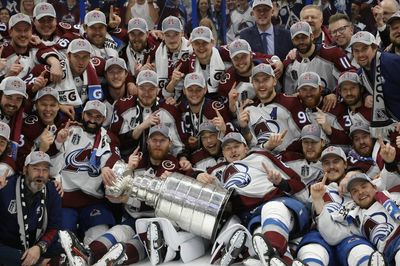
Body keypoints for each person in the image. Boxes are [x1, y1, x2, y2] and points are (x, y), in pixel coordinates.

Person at [295, 146, 386, 266]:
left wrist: (352, 174)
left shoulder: (361, 183)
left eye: (336, 161)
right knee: (312, 250)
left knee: (360, 251)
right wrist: (317, 199)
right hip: (320, 235)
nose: (331, 166)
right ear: (322, 167)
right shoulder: (314, 188)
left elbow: (386, 181)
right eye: (327, 163)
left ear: (345, 164)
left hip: (351, 235)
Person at [50, 100, 121, 246]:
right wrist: (57, 141)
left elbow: (115, 157)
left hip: (93, 200)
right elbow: (51, 159)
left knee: (99, 239)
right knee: (63, 242)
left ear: (104, 119)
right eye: (89, 115)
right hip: (66, 200)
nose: (92, 120)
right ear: (82, 114)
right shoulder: (69, 129)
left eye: (98, 117)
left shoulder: (108, 138)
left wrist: (108, 166)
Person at [318, 172, 398, 265]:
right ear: (352, 198)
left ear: (374, 187)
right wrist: (317, 200)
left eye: (364, 187)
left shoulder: (392, 196)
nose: (360, 192)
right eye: (354, 191)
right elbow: (332, 235)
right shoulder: (354, 219)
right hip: (390, 251)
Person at [0, 151, 62, 266]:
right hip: (8, 246)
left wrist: (40, 247)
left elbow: (54, 227)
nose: (40, 174)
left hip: (36, 246)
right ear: (25, 170)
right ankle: (39, 263)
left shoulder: (52, 191)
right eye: (36, 169)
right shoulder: (6, 187)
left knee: (64, 247)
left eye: (45, 170)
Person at [110, 69, 186, 161]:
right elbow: (116, 141)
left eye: (151, 89)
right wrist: (141, 127)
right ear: (137, 87)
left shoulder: (169, 109)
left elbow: (179, 146)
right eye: (142, 88)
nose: (146, 93)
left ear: (158, 89)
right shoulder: (123, 107)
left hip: (161, 164)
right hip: (128, 162)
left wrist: (183, 159)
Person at [25, 38, 103, 120]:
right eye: (76, 56)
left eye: (85, 57)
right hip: (49, 117)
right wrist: (34, 89)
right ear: (68, 56)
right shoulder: (48, 71)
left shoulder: (94, 69)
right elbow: (23, 94)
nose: (81, 62)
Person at [237, 63, 299, 152]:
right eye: (257, 81)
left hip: (289, 159)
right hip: (260, 161)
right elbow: (250, 146)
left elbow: (303, 136)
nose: (261, 85)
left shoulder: (289, 102)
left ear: (274, 81)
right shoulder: (248, 110)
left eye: (266, 80)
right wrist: (244, 127)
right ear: (252, 83)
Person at [350, 31, 400, 137]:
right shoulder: (360, 74)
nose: (360, 54)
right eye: (356, 51)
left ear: (374, 48)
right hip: (392, 128)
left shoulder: (391, 62)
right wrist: (365, 96)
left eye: (364, 49)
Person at [283, 21, 354, 95]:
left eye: (304, 37)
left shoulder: (332, 53)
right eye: (297, 38)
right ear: (292, 41)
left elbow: (352, 73)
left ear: (312, 37)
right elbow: (289, 94)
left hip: (333, 104)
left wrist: (335, 94)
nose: (301, 41)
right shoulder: (289, 63)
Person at [17, 87, 67, 171]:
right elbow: (20, 166)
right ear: (36, 105)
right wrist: (41, 150)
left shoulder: (65, 123)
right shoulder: (27, 127)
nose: (48, 109)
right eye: (43, 104)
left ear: (59, 106)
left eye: (52, 105)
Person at [156, 16, 192, 100]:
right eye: (168, 35)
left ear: (182, 33)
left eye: (176, 34)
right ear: (163, 36)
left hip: (190, 99)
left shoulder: (192, 49)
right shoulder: (159, 51)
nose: (172, 39)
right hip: (167, 99)